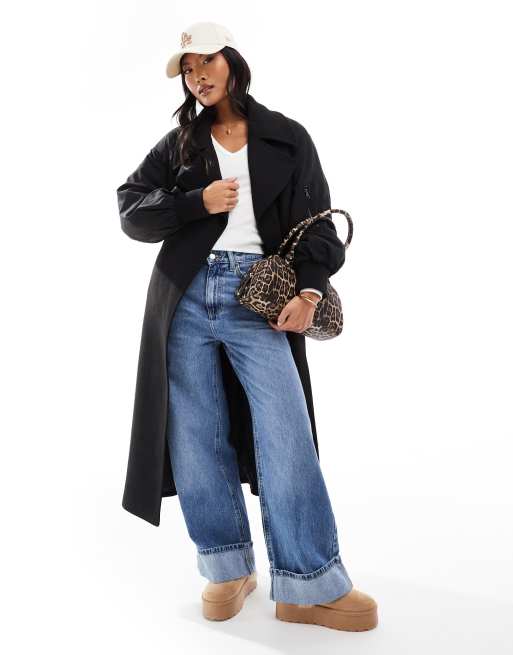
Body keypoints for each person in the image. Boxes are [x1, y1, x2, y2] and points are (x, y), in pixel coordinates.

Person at [116, 21, 378, 632]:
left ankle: (307, 583)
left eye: (206, 61)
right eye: (187, 69)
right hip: (183, 294)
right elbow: (131, 209)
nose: (197, 76)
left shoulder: (286, 136)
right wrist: (196, 202)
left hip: (256, 295)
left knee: (286, 431)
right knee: (194, 435)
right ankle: (226, 567)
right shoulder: (180, 143)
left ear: (232, 61)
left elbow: (319, 223)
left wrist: (309, 290)